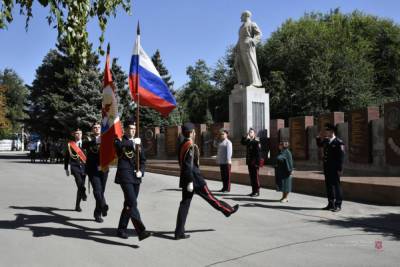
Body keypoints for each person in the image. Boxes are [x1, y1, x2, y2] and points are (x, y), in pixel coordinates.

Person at [174, 123, 239, 240]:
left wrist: (187, 181)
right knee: (211, 198)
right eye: (193, 131)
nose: (194, 133)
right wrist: (190, 181)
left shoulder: (182, 144)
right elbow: (188, 166)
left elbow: (182, 164)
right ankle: (228, 210)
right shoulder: (190, 145)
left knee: (184, 205)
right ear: (191, 132)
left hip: (186, 179)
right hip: (195, 180)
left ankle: (179, 232)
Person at [114, 120, 151, 241]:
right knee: (133, 202)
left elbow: (143, 160)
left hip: (136, 177)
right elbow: (119, 147)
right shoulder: (119, 140)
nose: (133, 130)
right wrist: (132, 143)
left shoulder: (138, 142)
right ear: (125, 129)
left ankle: (121, 229)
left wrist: (142, 171)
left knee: (129, 204)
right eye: (130, 128)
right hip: (125, 175)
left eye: (134, 128)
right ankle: (141, 231)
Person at [83, 122, 109, 223]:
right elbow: (84, 145)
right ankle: (103, 206)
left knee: (101, 191)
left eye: (98, 127)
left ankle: (97, 213)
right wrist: (96, 141)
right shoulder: (88, 138)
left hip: (104, 168)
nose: (97, 129)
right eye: (95, 127)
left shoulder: (105, 138)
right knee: (97, 190)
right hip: (92, 169)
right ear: (92, 129)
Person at [316, 123, 345, 212]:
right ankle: (330, 203)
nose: (325, 132)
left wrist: (340, 169)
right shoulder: (326, 140)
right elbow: (319, 145)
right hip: (327, 167)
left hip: (335, 168)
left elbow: (341, 157)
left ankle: (338, 205)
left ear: (332, 131)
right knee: (329, 185)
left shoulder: (338, 142)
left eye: (327, 130)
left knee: (336, 186)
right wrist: (318, 137)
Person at [234, 10, 262, 87]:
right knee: (239, 64)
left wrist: (253, 41)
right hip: (240, 46)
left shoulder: (252, 24)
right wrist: (236, 46)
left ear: (246, 16)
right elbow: (240, 38)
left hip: (248, 45)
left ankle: (254, 82)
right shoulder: (241, 27)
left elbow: (259, 34)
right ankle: (243, 82)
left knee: (250, 63)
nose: (240, 17)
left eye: (241, 16)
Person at [64, 128, 87, 212]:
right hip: (75, 167)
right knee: (80, 184)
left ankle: (77, 205)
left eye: (80, 133)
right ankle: (84, 193)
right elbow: (66, 157)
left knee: (80, 187)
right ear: (74, 135)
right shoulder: (70, 145)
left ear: (82, 134)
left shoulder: (85, 144)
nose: (78, 135)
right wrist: (66, 168)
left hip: (84, 168)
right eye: (77, 133)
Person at [241, 128, 261, 197]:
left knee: (255, 177)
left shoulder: (256, 141)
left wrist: (257, 163)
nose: (250, 133)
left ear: (254, 133)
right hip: (249, 162)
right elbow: (243, 143)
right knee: (252, 177)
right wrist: (244, 136)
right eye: (249, 132)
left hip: (255, 163)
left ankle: (257, 191)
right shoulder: (249, 140)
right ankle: (253, 191)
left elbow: (258, 154)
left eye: (251, 132)